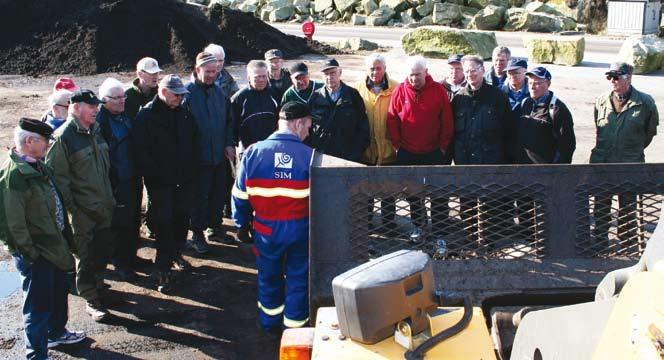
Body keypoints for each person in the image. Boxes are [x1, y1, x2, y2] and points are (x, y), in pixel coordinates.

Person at [0, 119, 86, 360]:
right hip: (38, 254)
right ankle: (36, 355)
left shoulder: (38, 165)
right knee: (37, 308)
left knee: (59, 293)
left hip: (54, 247)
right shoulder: (14, 177)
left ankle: (56, 333)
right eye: (45, 141)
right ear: (29, 141)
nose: (49, 145)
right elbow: (13, 225)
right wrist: (31, 253)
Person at [232, 101, 313, 335]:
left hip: (265, 230)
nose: (308, 132)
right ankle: (295, 328)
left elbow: (239, 195)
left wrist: (241, 224)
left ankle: (269, 324)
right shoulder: (310, 156)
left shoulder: (253, 152)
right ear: (298, 124)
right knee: (299, 279)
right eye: (308, 126)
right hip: (301, 229)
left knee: (269, 277)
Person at [46, 90, 115, 322]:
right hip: (81, 212)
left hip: (103, 206)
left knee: (101, 250)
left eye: (97, 105)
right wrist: (74, 210)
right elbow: (58, 181)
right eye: (91, 105)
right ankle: (90, 298)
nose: (96, 109)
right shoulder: (63, 138)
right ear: (75, 108)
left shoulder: (94, 130)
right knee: (84, 257)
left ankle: (98, 286)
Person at [132, 75, 199, 293]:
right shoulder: (146, 116)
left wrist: (190, 170)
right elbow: (141, 151)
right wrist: (155, 174)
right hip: (160, 183)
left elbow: (194, 140)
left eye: (181, 95)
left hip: (184, 181)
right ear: (163, 92)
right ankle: (163, 270)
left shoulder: (183, 113)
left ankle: (177, 253)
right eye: (176, 94)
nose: (180, 98)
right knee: (164, 224)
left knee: (181, 220)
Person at [590, 62, 659, 252]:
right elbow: (599, 128)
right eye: (609, 77)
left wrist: (630, 149)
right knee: (601, 206)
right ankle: (600, 242)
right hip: (602, 163)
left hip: (630, 163)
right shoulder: (601, 100)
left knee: (628, 207)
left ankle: (627, 244)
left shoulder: (645, 103)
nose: (612, 81)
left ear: (628, 78)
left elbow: (649, 133)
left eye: (616, 77)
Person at [387, 55, 454, 242]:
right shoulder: (400, 91)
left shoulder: (438, 91)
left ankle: (440, 231)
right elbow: (392, 118)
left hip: (433, 151)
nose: (414, 79)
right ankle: (418, 226)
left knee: (438, 194)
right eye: (410, 75)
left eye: (417, 74)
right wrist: (397, 145)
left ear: (426, 72)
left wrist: (442, 147)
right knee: (413, 194)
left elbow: (447, 121)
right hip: (408, 151)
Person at [452, 55, 514, 251]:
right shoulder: (459, 98)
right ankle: (470, 240)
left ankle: (490, 243)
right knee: (467, 204)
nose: (470, 75)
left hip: (490, 162)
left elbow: (507, 131)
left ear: (482, 70)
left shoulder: (497, 97)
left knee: (491, 205)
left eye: (474, 70)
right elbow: (454, 132)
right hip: (466, 162)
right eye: (467, 71)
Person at [513, 67, 576, 244]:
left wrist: (556, 169)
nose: (533, 86)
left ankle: (546, 240)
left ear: (548, 83)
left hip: (545, 171)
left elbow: (567, 145)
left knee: (545, 208)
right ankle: (527, 238)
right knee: (524, 205)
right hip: (523, 168)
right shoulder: (525, 103)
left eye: (538, 82)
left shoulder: (558, 109)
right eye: (531, 82)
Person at [185, 52, 236, 253]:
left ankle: (215, 227)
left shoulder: (219, 93)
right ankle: (197, 233)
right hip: (198, 158)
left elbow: (228, 122)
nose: (212, 75)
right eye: (208, 72)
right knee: (199, 197)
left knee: (217, 194)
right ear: (197, 70)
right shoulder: (187, 94)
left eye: (215, 71)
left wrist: (229, 144)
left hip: (219, 155)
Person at [96, 78, 140, 281]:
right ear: (104, 100)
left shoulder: (123, 117)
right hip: (116, 182)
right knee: (119, 225)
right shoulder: (100, 123)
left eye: (123, 96)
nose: (123, 100)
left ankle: (132, 256)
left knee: (133, 220)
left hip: (131, 179)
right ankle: (121, 263)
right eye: (117, 98)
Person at [354, 53, 399, 236]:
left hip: (388, 148)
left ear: (385, 68)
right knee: (367, 190)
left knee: (388, 189)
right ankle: (368, 223)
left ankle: (389, 224)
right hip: (367, 150)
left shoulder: (396, 88)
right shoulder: (357, 89)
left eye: (378, 68)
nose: (375, 72)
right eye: (372, 68)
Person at [125, 57, 162, 242]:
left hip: (155, 153)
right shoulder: (127, 97)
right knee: (134, 193)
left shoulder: (160, 94)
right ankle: (133, 229)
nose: (156, 76)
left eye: (157, 73)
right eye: (151, 73)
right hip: (133, 154)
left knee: (155, 192)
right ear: (140, 74)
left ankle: (151, 224)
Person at [309, 58, 369, 162]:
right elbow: (307, 127)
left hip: (348, 155)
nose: (329, 77)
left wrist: (355, 153)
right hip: (322, 155)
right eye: (326, 74)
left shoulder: (352, 95)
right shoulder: (315, 97)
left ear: (340, 72)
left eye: (332, 73)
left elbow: (363, 126)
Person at [231, 60, 279, 155]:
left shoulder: (274, 94)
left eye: (264, 76)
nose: (261, 80)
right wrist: (231, 145)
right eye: (257, 77)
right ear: (248, 77)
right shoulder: (239, 98)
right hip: (248, 149)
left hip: (271, 147)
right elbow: (231, 125)